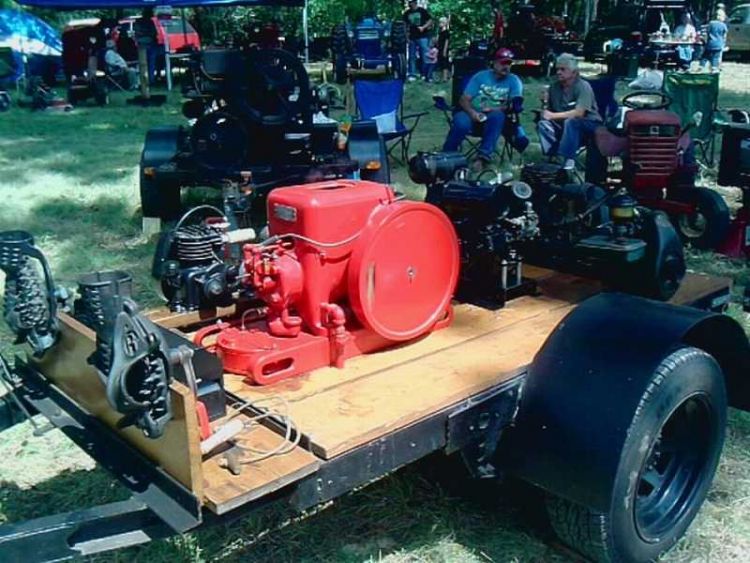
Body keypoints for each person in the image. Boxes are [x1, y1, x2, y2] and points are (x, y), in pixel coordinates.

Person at [443, 48, 523, 166]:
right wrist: (473, 113)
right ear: (494, 63)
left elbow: (514, 105)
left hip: (494, 116)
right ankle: (446, 156)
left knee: (497, 117)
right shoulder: (480, 76)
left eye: (509, 63)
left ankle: (482, 158)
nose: (506, 66)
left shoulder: (514, 81)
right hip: (471, 112)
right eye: (503, 63)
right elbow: (464, 99)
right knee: (461, 122)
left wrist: (494, 109)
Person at [537, 53, 602, 171]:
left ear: (574, 72)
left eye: (563, 69)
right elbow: (547, 113)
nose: (558, 72)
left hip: (589, 125)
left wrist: (552, 116)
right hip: (562, 124)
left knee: (571, 122)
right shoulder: (553, 88)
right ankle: (552, 156)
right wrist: (544, 103)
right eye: (557, 69)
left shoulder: (583, 86)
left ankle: (567, 160)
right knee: (543, 124)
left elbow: (579, 113)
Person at [403, 0, 433, 81]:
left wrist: (423, 27)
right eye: (409, 2)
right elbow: (405, 26)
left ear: (415, 2)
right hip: (412, 37)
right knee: (412, 56)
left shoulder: (422, 11)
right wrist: (406, 37)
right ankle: (412, 74)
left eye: (411, 2)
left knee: (425, 55)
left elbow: (430, 20)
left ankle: (425, 74)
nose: (410, 4)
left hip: (423, 36)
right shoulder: (407, 13)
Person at [134, 7, 158, 85]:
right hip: (148, 44)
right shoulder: (148, 22)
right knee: (149, 63)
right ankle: (149, 80)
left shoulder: (139, 22)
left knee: (143, 63)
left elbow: (137, 33)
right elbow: (154, 33)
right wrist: (149, 34)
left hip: (143, 44)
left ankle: (145, 80)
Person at [437, 16, 450, 82]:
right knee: (440, 63)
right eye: (440, 22)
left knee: (445, 63)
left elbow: (446, 42)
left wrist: (445, 50)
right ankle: (441, 77)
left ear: (445, 23)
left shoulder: (446, 32)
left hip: (444, 49)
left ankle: (445, 77)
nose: (440, 24)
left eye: (441, 22)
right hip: (439, 49)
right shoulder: (440, 32)